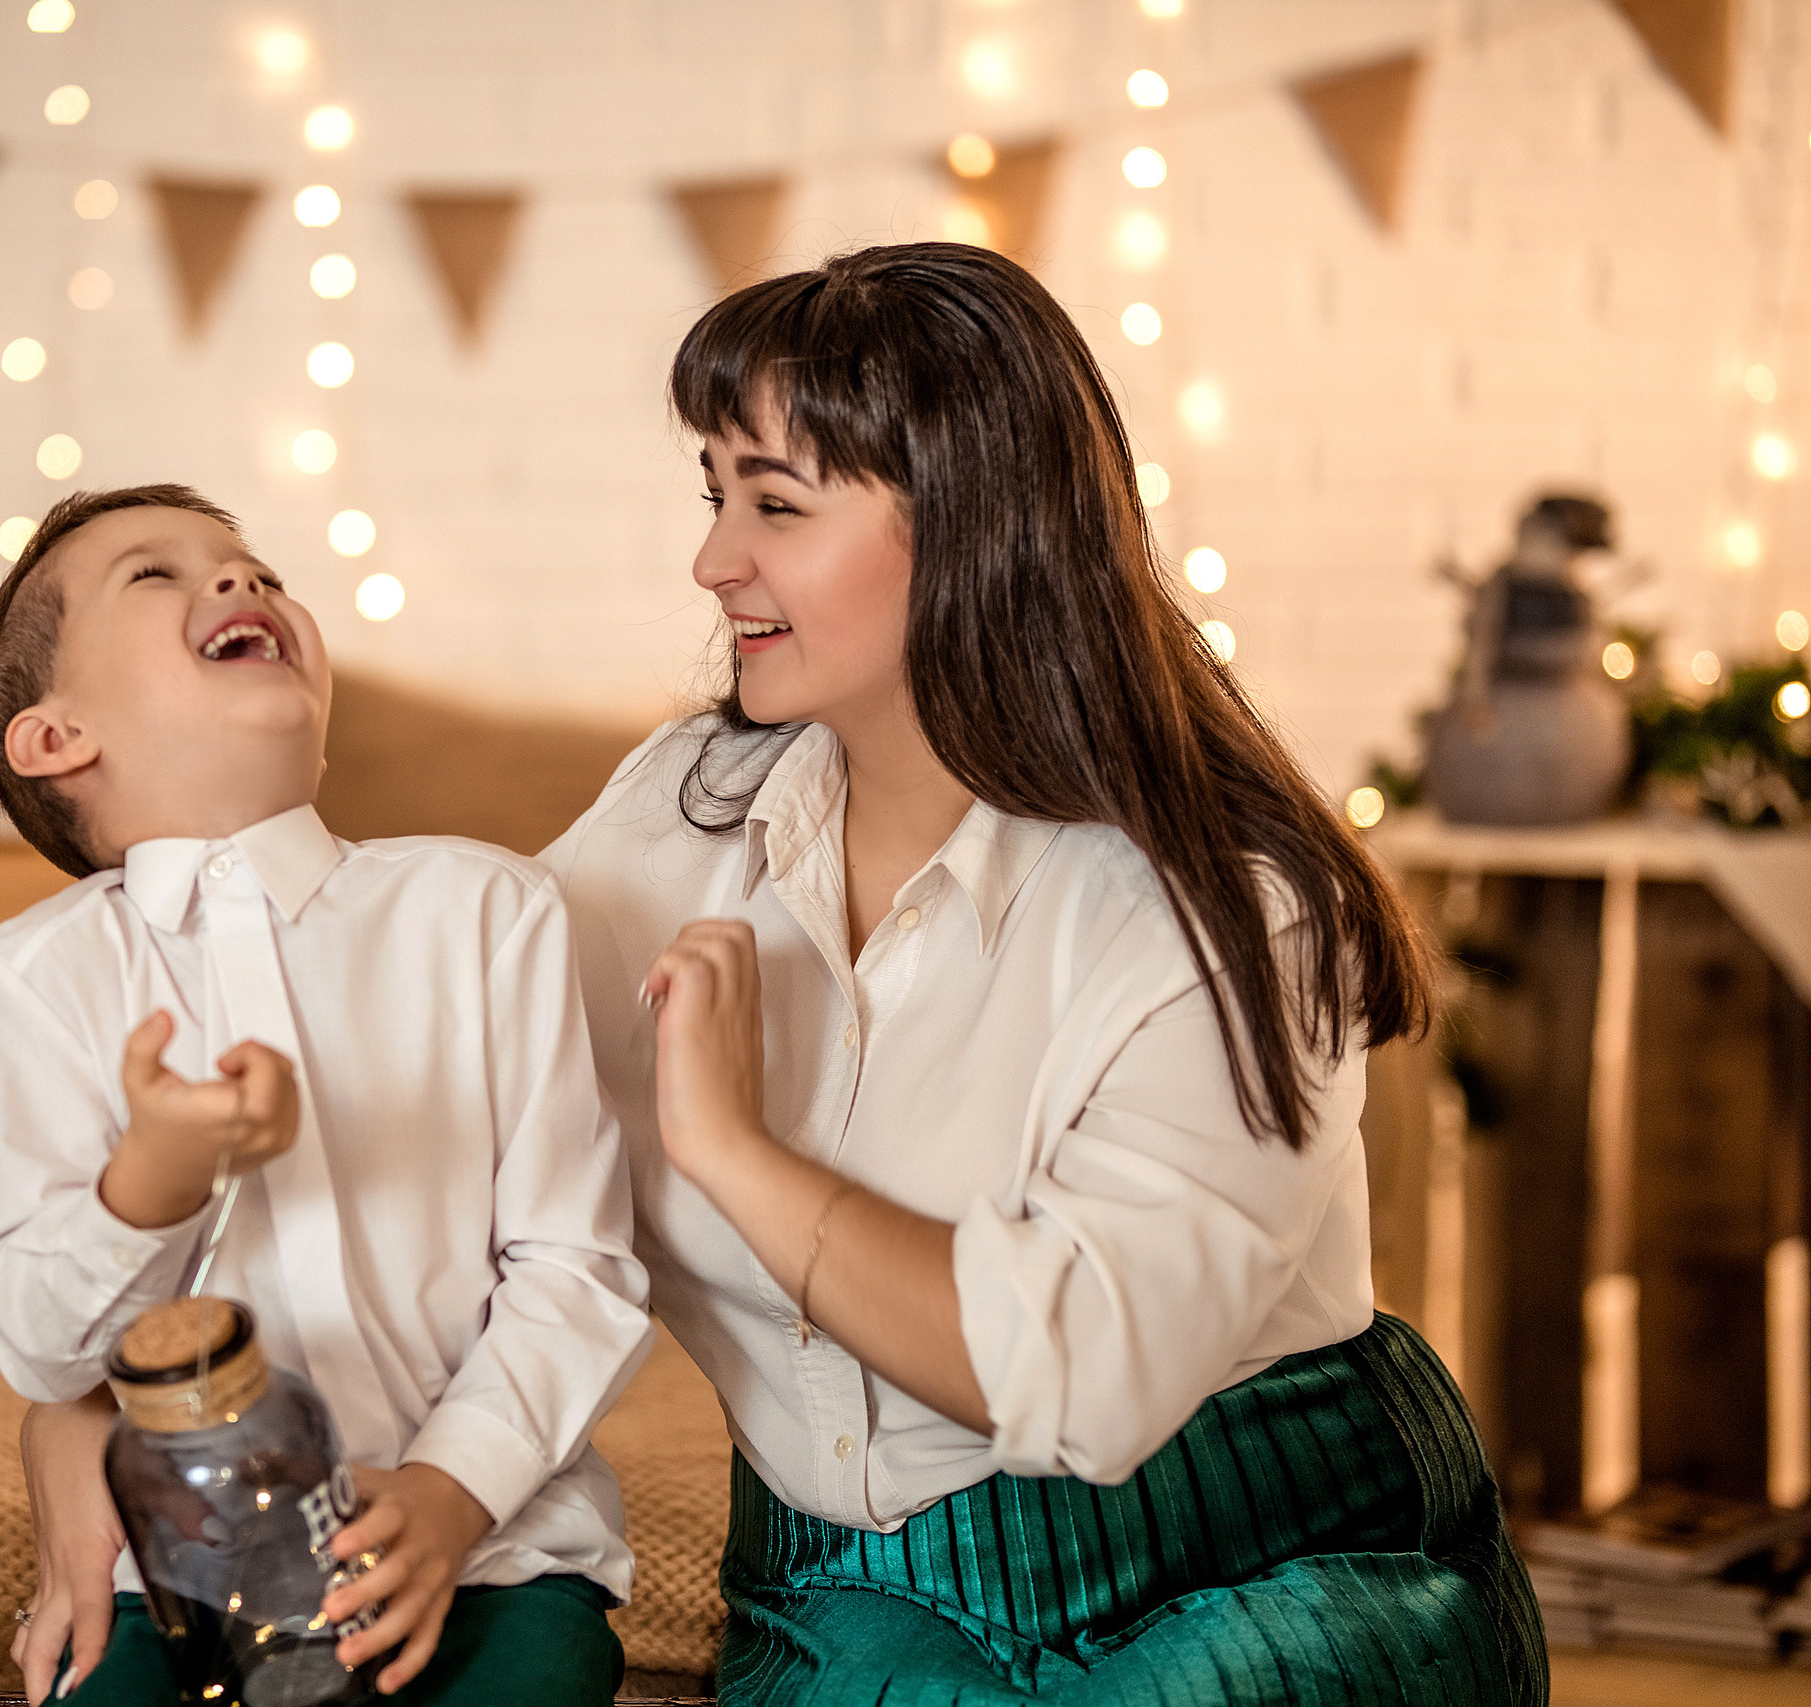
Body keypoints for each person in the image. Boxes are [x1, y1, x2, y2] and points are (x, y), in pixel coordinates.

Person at [542, 244, 1547, 1705]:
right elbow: (455, 1045)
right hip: (849, 1586)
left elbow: (1086, 1375)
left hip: (1257, 1556)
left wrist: (733, 1152)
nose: (714, 560)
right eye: (717, 495)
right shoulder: (681, 804)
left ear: (965, 527)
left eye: (775, 502)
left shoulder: (1238, 906)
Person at [0, 484, 650, 1705]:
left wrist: (449, 1490)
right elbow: (41, 1345)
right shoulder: (25, 986)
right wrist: (148, 1185)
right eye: (155, 576)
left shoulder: (483, 912)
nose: (241, 583)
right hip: (169, 1587)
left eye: (254, 567)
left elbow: (574, 1270)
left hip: (488, 1561)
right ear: (56, 738)